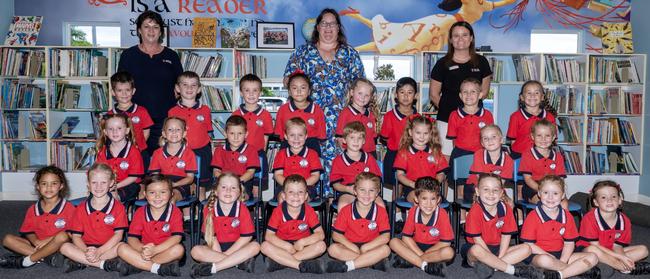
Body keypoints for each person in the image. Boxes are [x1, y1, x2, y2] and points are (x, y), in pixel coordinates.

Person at [284, 8, 365, 195]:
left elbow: (360, 85)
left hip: (342, 121)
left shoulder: (350, 53)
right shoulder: (304, 52)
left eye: (333, 24)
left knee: (342, 166)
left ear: (339, 28)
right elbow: (288, 80)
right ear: (317, 27)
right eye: (324, 23)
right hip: (308, 121)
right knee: (308, 165)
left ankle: (338, 213)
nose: (328, 27)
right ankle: (310, 213)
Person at [118, 10, 183, 162]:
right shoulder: (128, 56)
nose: (151, 31)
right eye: (147, 26)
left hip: (165, 120)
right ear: (139, 30)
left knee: (163, 162)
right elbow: (121, 85)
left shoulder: (171, 56)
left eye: (155, 27)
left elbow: (180, 85)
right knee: (136, 161)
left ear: (161, 31)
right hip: (135, 120)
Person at [429, 21, 493, 157]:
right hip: (446, 120)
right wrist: (453, 113)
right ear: (451, 40)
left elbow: (485, 92)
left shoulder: (482, 62)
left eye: (464, 35)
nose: (460, 39)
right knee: (446, 162)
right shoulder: (442, 64)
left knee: (476, 160)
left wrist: (468, 112)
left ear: (471, 38)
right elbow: (434, 94)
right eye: (456, 36)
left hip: (476, 122)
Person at [462, 174, 542, 279]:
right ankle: (513, 270)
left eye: (495, 190)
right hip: (478, 249)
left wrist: (499, 257)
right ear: (477, 191)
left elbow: (506, 236)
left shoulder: (506, 209)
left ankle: (494, 266)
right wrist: (490, 256)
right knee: (476, 250)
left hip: (498, 249)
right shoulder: (475, 211)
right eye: (486, 189)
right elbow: (477, 239)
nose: (491, 193)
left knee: (527, 248)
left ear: (501, 193)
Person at [520, 175, 600, 279]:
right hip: (539, 254)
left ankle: (560, 274)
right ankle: (576, 271)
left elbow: (569, 243)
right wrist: (548, 255)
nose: (550, 197)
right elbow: (529, 245)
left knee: (593, 257)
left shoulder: (567, 216)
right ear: (539, 194)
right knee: (545, 260)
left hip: (562, 254)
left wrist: (562, 261)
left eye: (555, 193)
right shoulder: (533, 216)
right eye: (545, 193)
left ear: (562, 196)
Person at [0, 166, 73, 269]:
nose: (48, 187)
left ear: (61, 186)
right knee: (7, 239)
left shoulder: (69, 208)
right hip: (36, 245)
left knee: (62, 236)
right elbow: (28, 231)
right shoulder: (33, 209)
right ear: (38, 186)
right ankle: (47, 258)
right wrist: (36, 242)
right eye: (44, 184)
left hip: (58, 246)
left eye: (54, 183)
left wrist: (46, 242)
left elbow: (70, 234)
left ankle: (29, 259)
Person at [60, 163, 128, 273]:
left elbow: (118, 236)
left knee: (122, 247)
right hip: (85, 247)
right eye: (94, 183)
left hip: (108, 248)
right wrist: (87, 251)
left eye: (103, 183)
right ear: (88, 184)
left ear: (111, 183)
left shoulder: (118, 207)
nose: (98, 187)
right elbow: (76, 236)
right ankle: (103, 264)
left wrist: (99, 251)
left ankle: (83, 261)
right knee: (65, 247)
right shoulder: (81, 207)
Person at [190, 173, 260, 277]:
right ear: (216, 191)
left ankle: (214, 268)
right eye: (223, 187)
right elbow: (211, 237)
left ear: (239, 193)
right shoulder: (208, 209)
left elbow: (246, 237)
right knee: (195, 251)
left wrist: (227, 254)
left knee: (256, 246)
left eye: (233, 188)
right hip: (215, 248)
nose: (228, 191)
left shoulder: (243, 209)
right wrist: (223, 254)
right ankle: (237, 263)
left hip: (238, 247)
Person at [114, 174, 184, 276]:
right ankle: (158, 268)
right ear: (145, 194)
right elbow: (132, 238)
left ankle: (138, 265)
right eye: (152, 192)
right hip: (144, 250)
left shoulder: (176, 212)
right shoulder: (140, 212)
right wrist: (143, 250)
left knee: (178, 250)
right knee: (121, 248)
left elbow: (177, 237)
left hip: (164, 250)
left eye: (163, 192)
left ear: (171, 194)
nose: (157, 196)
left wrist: (155, 250)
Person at [577, 180, 650, 276]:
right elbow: (595, 246)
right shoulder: (589, 219)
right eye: (603, 197)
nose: (609, 200)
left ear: (620, 200)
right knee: (593, 250)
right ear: (596, 202)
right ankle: (621, 267)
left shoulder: (625, 220)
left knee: (643, 250)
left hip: (610, 250)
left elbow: (617, 246)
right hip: (589, 250)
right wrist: (620, 258)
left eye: (614, 196)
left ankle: (612, 263)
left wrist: (623, 256)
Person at [389, 176, 453, 277]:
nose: (429, 204)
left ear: (438, 200)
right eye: (424, 198)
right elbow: (406, 237)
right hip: (415, 246)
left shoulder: (442, 213)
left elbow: (446, 242)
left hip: (434, 249)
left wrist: (424, 254)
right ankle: (424, 264)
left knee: (449, 252)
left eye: (433, 199)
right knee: (393, 242)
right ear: (416, 199)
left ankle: (412, 259)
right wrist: (420, 254)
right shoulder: (413, 211)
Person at [260, 175, 326, 274]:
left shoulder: (309, 211)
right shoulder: (278, 211)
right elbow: (269, 236)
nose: (296, 196)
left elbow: (320, 234)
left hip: (302, 247)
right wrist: (286, 246)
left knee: (322, 246)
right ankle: (300, 265)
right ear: (283, 196)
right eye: (291, 192)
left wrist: (303, 242)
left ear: (306, 196)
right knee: (264, 246)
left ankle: (281, 262)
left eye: (300, 192)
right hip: (282, 246)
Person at [327, 172, 391, 273]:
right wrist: (352, 247)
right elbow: (336, 235)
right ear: (355, 191)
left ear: (377, 193)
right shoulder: (346, 210)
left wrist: (366, 247)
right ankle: (370, 262)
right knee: (332, 249)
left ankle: (349, 265)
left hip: (371, 247)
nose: (367, 194)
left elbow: (386, 236)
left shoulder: (381, 211)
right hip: (349, 247)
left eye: (371, 190)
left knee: (386, 250)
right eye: (362, 190)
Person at [168, 71, 213, 201]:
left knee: (201, 187)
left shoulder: (205, 110)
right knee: (184, 189)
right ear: (177, 88)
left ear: (199, 89)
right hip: (181, 153)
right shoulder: (172, 111)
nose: (189, 88)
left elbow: (208, 132)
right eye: (185, 85)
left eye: (193, 85)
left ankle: (202, 219)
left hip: (202, 152)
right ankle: (187, 219)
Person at [231, 74, 274, 198]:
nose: (251, 94)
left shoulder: (265, 115)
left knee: (256, 187)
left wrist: (262, 154)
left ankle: (258, 213)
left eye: (255, 90)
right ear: (241, 92)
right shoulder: (236, 114)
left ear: (260, 92)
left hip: (258, 154)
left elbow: (266, 138)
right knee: (242, 188)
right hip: (240, 155)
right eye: (247, 90)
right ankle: (244, 213)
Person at [393, 114, 448, 203]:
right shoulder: (404, 152)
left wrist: (434, 184)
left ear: (430, 134)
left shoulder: (435, 152)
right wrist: (412, 184)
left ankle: (434, 217)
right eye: (418, 133)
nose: (422, 137)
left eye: (425, 133)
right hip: (412, 188)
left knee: (436, 200)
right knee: (417, 199)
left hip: (432, 189)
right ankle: (414, 216)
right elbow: (400, 175)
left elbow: (441, 173)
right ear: (410, 132)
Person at [330, 121, 383, 210]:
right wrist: (347, 189)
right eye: (352, 138)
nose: (356, 141)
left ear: (364, 141)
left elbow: (377, 180)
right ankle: (343, 224)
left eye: (359, 138)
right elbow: (335, 185)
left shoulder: (369, 158)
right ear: (344, 140)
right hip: (348, 192)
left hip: (368, 192)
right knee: (343, 205)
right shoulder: (338, 160)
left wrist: (370, 190)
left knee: (380, 205)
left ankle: (379, 224)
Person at [108, 71, 154, 170]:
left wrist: (136, 147)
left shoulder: (142, 111)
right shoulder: (110, 115)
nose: (124, 94)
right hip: (118, 153)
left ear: (133, 91)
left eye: (127, 90)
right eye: (119, 90)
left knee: (141, 181)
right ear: (113, 92)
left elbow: (146, 132)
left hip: (140, 152)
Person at [379, 77, 418, 189]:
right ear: (396, 95)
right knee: (396, 187)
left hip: (413, 156)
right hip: (394, 155)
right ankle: (395, 207)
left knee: (410, 187)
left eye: (410, 92)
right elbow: (384, 137)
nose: (406, 96)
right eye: (402, 92)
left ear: (415, 96)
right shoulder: (389, 116)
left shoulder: (418, 118)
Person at [272, 117, 323, 203]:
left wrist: (301, 186)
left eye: (300, 135)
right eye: (292, 135)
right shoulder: (281, 154)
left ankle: (303, 216)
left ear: (306, 136)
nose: (296, 139)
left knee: (303, 197)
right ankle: (283, 216)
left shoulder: (312, 154)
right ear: (286, 136)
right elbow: (278, 175)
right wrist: (290, 186)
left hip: (307, 186)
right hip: (285, 186)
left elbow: (315, 176)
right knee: (282, 197)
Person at [274, 71, 326, 155]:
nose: (299, 91)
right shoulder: (283, 109)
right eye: (294, 88)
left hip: (311, 145)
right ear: (289, 92)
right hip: (288, 145)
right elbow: (279, 133)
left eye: (303, 88)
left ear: (309, 91)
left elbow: (321, 134)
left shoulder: (317, 110)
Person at [95, 113, 144, 202]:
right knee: (96, 195)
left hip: (128, 185)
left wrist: (116, 186)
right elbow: (98, 173)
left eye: (119, 128)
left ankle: (116, 212)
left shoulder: (134, 152)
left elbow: (134, 177)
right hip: (108, 185)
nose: (115, 132)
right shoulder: (103, 152)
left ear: (127, 130)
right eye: (111, 129)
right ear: (105, 132)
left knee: (112, 197)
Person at [148, 117, 197, 205]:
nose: (174, 132)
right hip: (161, 184)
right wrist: (162, 186)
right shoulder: (157, 153)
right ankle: (155, 218)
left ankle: (171, 218)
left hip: (181, 185)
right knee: (155, 196)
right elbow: (155, 175)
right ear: (164, 134)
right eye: (170, 129)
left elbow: (190, 178)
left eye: (178, 129)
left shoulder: (189, 154)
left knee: (171, 199)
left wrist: (174, 185)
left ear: (184, 133)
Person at [211, 115, 260, 200]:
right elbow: (216, 171)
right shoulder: (219, 150)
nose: (236, 137)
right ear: (225, 134)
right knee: (212, 200)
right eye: (232, 133)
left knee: (236, 196)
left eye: (240, 133)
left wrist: (235, 183)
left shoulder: (251, 150)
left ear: (246, 134)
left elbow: (251, 173)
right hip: (223, 183)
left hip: (243, 183)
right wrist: (226, 182)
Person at [518, 119, 567, 206]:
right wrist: (543, 190)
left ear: (553, 137)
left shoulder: (558, 157)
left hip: (553, 187)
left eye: (547, 136)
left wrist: (554, 191)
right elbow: (528, 179)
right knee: (544, 203)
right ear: (533, 137)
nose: (543, 139)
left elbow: (560, 179)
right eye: (539, 135)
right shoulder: (527, 155)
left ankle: (562, 220)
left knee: (564, 204)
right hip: (533, 188)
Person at [506, 80, 556, 159]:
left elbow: (552, 139)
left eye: (536, 93)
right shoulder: (515, 117)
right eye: (529, 93)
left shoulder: (549, 117)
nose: (532, 95)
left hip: (543, 155)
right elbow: (513, 141)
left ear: (542, 97)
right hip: (520, 155)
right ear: (522, 97)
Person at [464, 125, 514, 203]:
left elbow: (502, 183)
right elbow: (479, 178)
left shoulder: (509, 160)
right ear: (482, 143)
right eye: (485, 138)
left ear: (501, 140)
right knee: (481, 200)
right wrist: (488, 193)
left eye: (493, 137)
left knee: (509, 203)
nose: (490, 140)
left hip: (495, 189)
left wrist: (502, 195)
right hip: (475, 186)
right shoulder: (478, 155)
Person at [335, 77, 380, 157]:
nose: (363, 97)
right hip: (352, 154)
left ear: (370, 97)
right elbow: (340, 137)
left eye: (367, 95)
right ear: (352, 92)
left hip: (370, 154)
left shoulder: (371, 115)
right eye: (360, 93)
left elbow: (373, 137)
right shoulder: (345, 113)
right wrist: (348, 154)